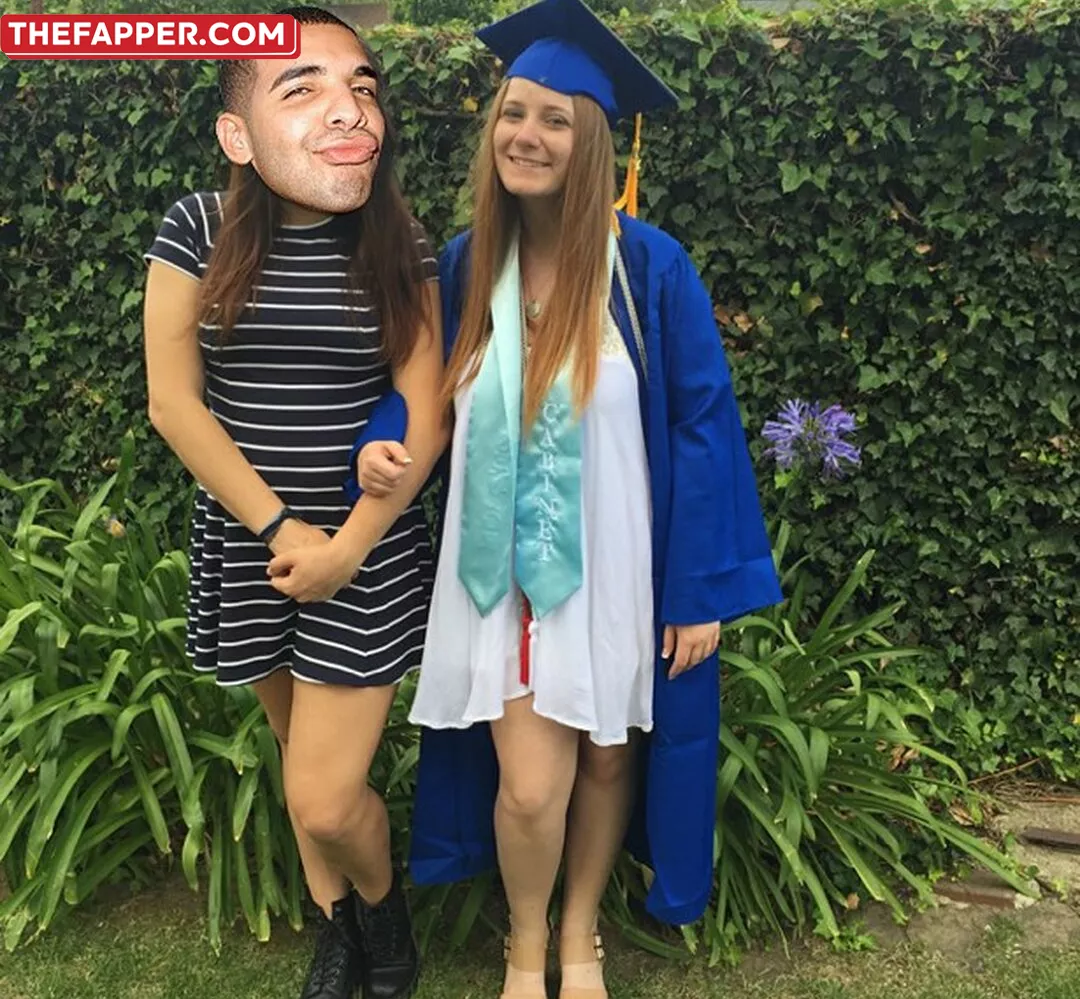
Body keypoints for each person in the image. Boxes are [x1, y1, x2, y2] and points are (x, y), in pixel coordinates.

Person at [355, 0, 782, 995]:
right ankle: (526, 939)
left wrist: (699, 592)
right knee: (529, 785)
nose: (527, 135)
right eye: (514, 113)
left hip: (619, 568)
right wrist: (383, 439)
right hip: (501, 576)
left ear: (591, 141)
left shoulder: (648, 270)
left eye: (555, 118)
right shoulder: (467, 263)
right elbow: (419, 387)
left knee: (605, 762)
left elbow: (703, 426)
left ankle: (581, 931)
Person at [142, 7, 445, 999]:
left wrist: (346, 547)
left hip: (365, 551)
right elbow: (174, 403)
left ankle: (385, 917)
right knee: (293, 753)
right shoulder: (197, 229)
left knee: (322, 794)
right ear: (238, 134)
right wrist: (280, 529)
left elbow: (428, 406)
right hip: (253, 544)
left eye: (362, 86)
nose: (347, 107)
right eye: (303, 86)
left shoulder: (398, 241)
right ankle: (339, 929)